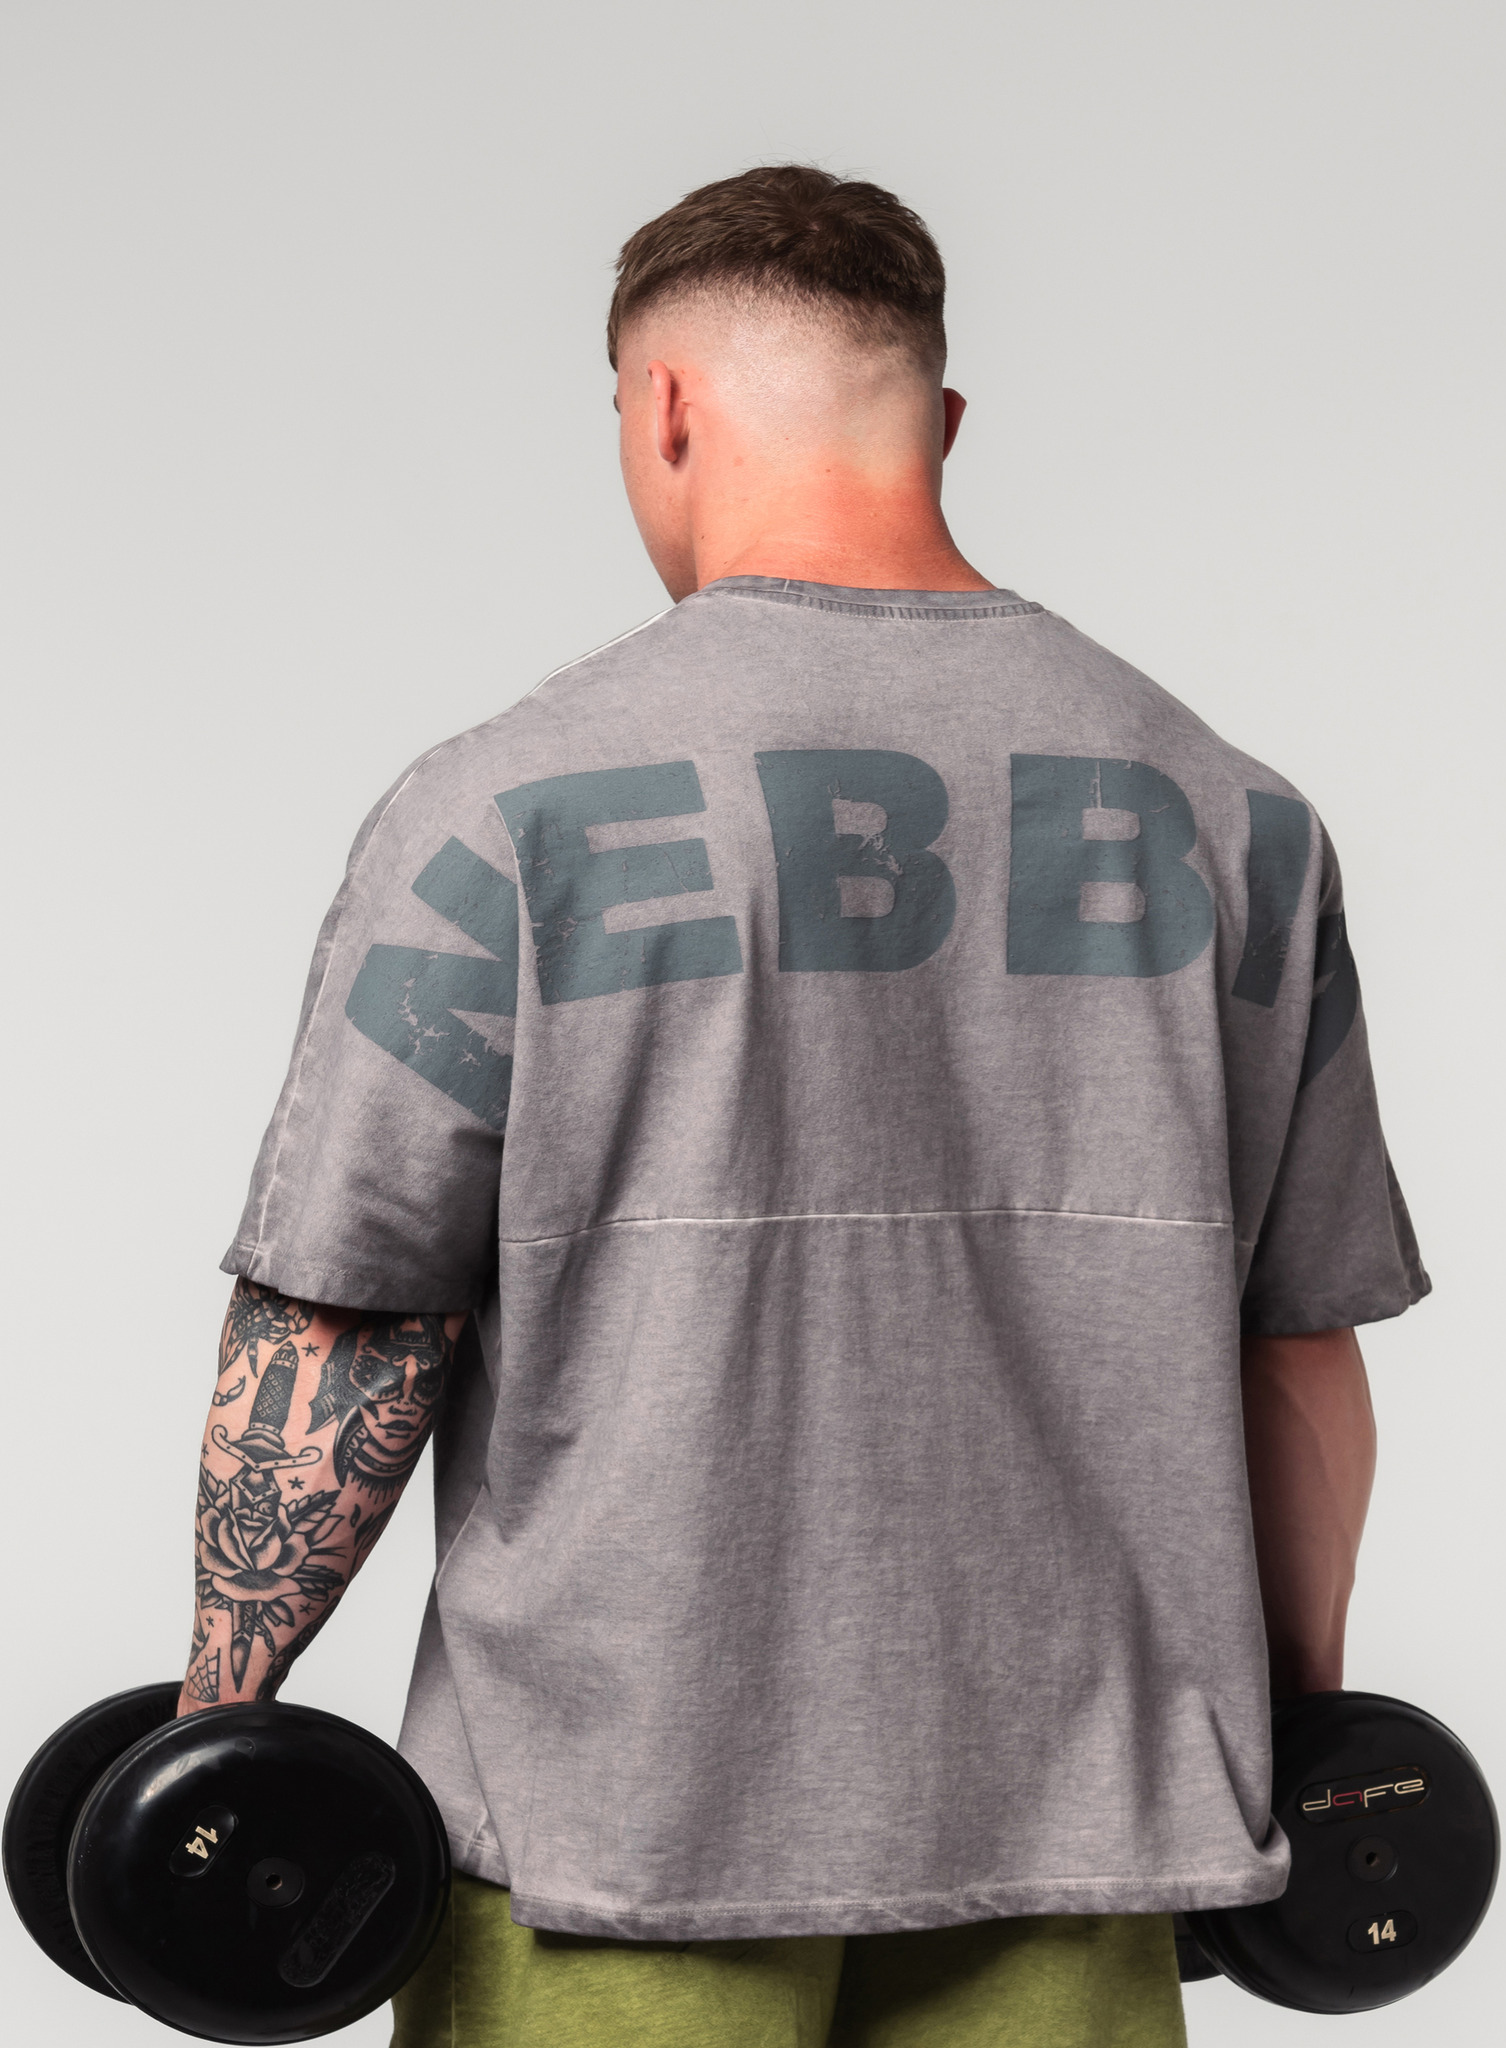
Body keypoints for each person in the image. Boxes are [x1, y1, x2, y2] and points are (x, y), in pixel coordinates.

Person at [176, 166, 1427, 2046]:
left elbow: (347, 1326)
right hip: (1085, 1838)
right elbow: (1300, 1351)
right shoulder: (1239, 821)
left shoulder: (504, 809)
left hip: (617, 1844)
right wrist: (1302, 1741)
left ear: (664, 406)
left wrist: (211, 1738)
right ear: (941, 420)